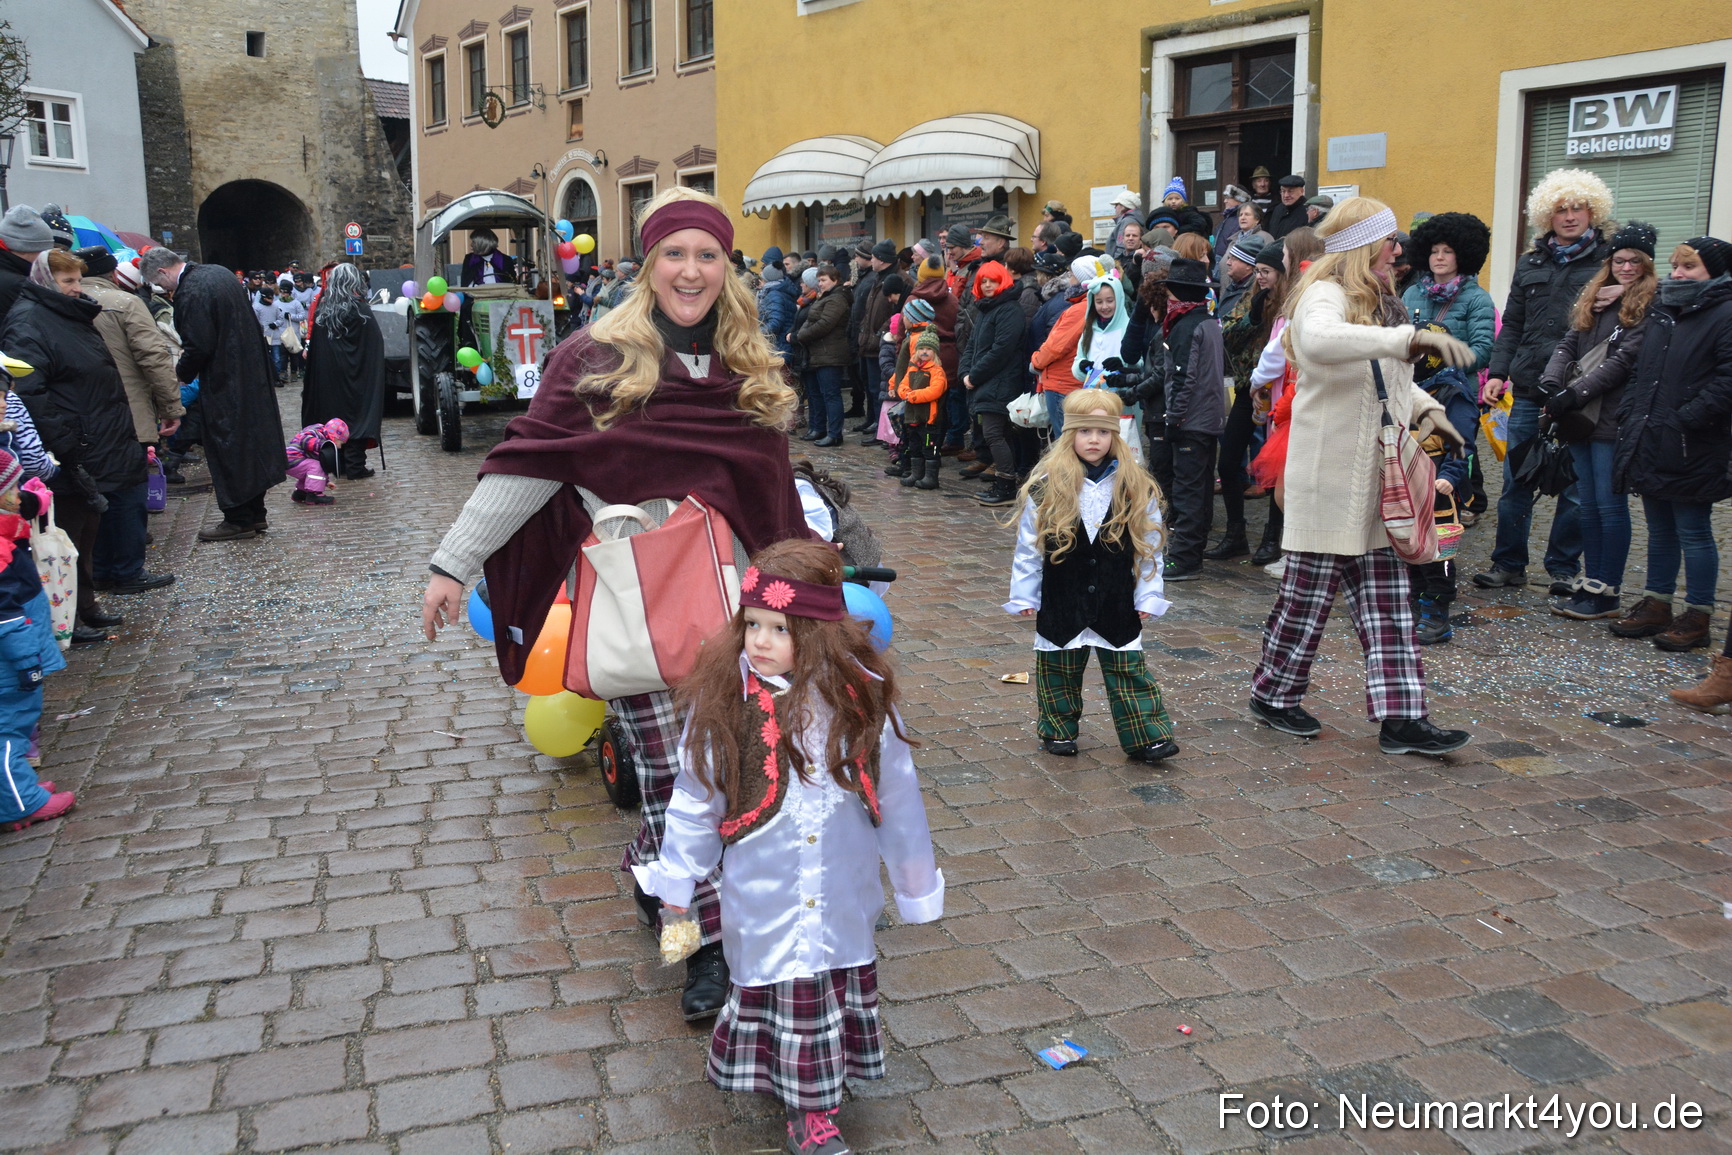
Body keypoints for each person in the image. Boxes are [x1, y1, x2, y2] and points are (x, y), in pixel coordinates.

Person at [421, 187, 810, 1021]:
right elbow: (532, 463)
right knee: (678, 779)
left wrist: (795, 598)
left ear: (726, 266)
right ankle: (700, 948)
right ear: (648, 263)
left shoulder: (746, 365)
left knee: (731, 772)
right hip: (637, 594)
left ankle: (650, 865)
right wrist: (455, 563)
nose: (691, 270)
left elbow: (774, 495)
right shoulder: (593, 357)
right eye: (675, 253)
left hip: (732, 603)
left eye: (707, 254)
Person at [633, 538, 940, 1155]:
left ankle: (815, 1099)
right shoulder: (726, 704)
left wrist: (914, 883)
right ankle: (805, 1101)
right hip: (764, 883)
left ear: (820, 631)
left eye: (781, 628)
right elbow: (696, 797)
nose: (761, 641)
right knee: (784, 980)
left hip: (841, 882)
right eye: (753, 626)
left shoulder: (861, 698)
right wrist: (677, 882)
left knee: (826, 976)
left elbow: (899, 796)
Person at [1246, 196, 1476, 756]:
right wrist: (1411, 340)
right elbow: (1322, 343)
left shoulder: (1378, 301)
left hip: (1375, 478)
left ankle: (1404, 719)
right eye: (1389, 238)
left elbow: (1384, 375)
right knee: (1305, 602)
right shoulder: (1322, 295)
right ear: (1364, 244)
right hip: (1327, 478)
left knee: (1390, 607)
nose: (1400, 249)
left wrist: (1427, 411)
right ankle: (1273, 695)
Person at [1006, 389, 1178, 763]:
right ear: (1070, 435)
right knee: (1058, 670)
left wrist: (1148, 595)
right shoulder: (1045, 485)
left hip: (1116, 597)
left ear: (1115, 436)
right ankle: (1058, 730)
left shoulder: (1135, 486)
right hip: (1062, 595)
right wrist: (1024, 594)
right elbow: (1029, 549)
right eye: (1085, 432)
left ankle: (1146, 736)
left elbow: (1149, 549)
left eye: (1102, 432)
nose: (1094, 440)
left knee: (1128, 669)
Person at [1474, 168, 1613, 595]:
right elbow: (1512, 323)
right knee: (1517, 478)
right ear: (1545, 216)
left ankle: (1563, 568)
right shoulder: (1531, 262)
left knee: (1573, 484)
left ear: (1593, 212)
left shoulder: (1609, 262)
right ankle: (1509, 563)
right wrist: (1498, 372)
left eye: (1577, 208)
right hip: (1531, 384)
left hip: (1581, 390)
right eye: (1560, 210)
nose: (1569, 217)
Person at [1, 252, 151, 645]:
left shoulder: (67, 315)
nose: (76, 288)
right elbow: (31, 393)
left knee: (86, 529)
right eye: (67, 281)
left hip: (91, 437)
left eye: (77, 280)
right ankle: (69, 613)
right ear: (47, 282)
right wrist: (66, 443)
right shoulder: (30, 321)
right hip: (70, 445)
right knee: (66, 535)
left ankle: (84, 606)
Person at [1608, 235, 1732, 654]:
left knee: (1694, 531)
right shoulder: (1664, 310)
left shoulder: (1725, 312)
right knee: (1659, 529)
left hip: (1693, 443)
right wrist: (1631, 414)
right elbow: (1642, 372)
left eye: (1689, 267)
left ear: (1713, 272)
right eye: (1676, 265)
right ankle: (1658, 603)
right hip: (1651, 436)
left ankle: (1699, 614)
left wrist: (1687, 419)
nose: (1677, 273)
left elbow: (1727, 381)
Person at [1540, 222, 1656, 623]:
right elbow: (1569, 343)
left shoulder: (1647, 305)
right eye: (1619, 260)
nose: (1625, 267)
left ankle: (1609, 588)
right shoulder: (1596, 298)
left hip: (1613, 416)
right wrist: (1553, 384)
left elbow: (1623, 362)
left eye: (1634, 261)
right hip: (1579, 418)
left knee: (1610, 506)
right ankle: (1592, 581)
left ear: (1646, 265)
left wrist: (1575, 393)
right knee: (1587, 505)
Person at [139, 247, 288, 542]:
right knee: (251, 444)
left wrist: (179, 375)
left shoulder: (190, 290)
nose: (162, 289)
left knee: (230, 448)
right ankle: (255, 513)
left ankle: (239, 518)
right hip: (249, 376)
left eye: (158, 283)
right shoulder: (217, 273)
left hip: (225, 382)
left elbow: (198, 345)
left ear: (162, 272)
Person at [76, 247, 183, 598]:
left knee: (97, 490)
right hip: (127, 411)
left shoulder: (61, 300)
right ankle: (126, 570)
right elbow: (153, 357)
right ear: (111, 273)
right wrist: (171, 407)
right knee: (128, 491)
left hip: (81, 416)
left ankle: (102, 568)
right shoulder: (124, 303)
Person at [1401, 213, 1498, 523]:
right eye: (1433, 251)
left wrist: (1440, 356)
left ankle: (1458, 505)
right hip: (1414, 390)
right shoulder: (1412, 293)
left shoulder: (1477, 298)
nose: (1439, 258)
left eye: (1447, 251)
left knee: (1455, 450)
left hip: (1455, 391)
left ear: (1462, 254)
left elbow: (1483, 349)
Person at [0, 447, 75, 831]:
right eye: (11, 492)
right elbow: (6, 618)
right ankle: (19, 802)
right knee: (9, 731)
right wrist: (29, 662)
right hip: (9, 661)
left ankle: (14, 787)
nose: (18, 499)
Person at [1139, 258, 1223, 581]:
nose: (1168, 299)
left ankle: (1185, 558)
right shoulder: (1208, 321)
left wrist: (1173, 420)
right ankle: (1193, 553)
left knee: (1188, 492)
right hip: (1208, 419)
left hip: (1191, 421)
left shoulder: (1185, 325)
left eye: (1171, 292)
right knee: (1199, 489)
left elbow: (1183, 376)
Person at [1209, 238, 1288, 562]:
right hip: (1248, 390)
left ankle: (1272, 537)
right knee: (1228, 462)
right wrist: (1252, 317)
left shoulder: (1293, 304)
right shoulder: (1250, 297)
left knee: (1274, 468)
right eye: (1257, 270)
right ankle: (1236, 533)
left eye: (1266, 271)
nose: (1260, 277)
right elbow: (1225, 334)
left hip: (1283, 393)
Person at [1403, 326, 1482, 644]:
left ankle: (1437, 613)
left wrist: (1450, 474)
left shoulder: (1452, 391)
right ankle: (1415, 605)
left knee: (1438, 552)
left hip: (1438, 486)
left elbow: (1461, 440)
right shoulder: (1407, 386)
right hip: (1410, 480)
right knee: (1410, 546)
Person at [300, 264, 385, 480]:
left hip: (330, 379)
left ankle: (342, 463)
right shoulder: (361, 310)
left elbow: (317, 351)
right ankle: (355, 465)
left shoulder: (324, 311)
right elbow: (375, 344)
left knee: (336, 417)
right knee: (359, 414)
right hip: (358, 377)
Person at [960, 261, 1028, 508]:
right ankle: (1004, 481)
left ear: (1003, 281)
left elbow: (1001, 350)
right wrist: (965, 372)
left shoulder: (1009, 310)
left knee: (993, 433)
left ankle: (1007, 485)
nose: (988, 285)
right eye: (983, 281)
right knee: (997, 434)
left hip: (1002, 382)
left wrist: (974, 375)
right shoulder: (985, 310)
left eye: (993, 280)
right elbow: (972, 345)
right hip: (986, 381)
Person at [1030, 256, 1101, 434]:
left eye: (1072, 274)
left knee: (1066, 442)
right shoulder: (1088, 305)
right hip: (1074, 380)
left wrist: (1036, 361)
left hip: (1063, 382)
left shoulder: (1079, 309)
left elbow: (1056, 346)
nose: (1069, 278)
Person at [892, 330, 947, 491]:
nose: (924, 352)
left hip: (928, 419)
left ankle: (931, 477)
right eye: (921, 349)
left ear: (934, 352)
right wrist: (905, 393)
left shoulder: (937, 371)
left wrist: (913, 396)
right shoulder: (913, 369)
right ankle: (917, 473)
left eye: (928, 349)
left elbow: (935, 391)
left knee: (929, 448)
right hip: (912, 417)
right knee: (914, 446)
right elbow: (902, 385)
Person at [284, 419, 350, 506]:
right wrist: (322, 445)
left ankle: (301, 493)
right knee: (316, 466)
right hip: (294, 459)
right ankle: (314, 495)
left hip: (290, 460)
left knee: (310, 470)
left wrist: (326, 481)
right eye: (340, 443)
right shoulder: (319, 435)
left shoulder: (318, 431)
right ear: (335, 437)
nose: (340, 447)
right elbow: (305, 440)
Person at [253, 284, 290, 385]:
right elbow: (254, 321)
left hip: (275, 336)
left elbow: (281, 318)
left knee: (277, 358)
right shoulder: (256, 307)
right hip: (263, 336)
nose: (271, 300)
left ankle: (276, 377)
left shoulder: (275, 306)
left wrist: (276, 323)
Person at [1214, 184, 1253, 265]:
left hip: (1229, 263)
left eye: (1228, 198)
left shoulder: (1241, 220)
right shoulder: (1228, 217)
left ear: (1239, 199)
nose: (1225, 201)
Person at [1108, 190, 1143, 258]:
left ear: (1123, 206)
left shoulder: (1127, 221)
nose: (1115, 207)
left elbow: (1121, 247)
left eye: (1116, 204)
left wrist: (1117, 264)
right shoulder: (1131, 219)